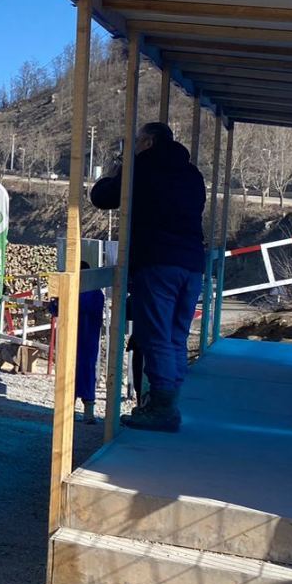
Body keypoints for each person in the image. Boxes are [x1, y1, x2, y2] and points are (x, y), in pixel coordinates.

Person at [90, 121, 206, 432]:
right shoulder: (193, 175)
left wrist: (119, 168)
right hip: (193, 264)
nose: (136, 146)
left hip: (158, 262)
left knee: (155, 336)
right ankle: (170, 398)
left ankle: (162, 408)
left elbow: (102, 197)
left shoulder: (141, 168)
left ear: (149, 143)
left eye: (138, 141)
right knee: (176, 336)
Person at [51, 261, 105, 423]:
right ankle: (82, 412)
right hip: (84, 340)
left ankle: (79, 412)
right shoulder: (96, 293)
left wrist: (59, 298)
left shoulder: (85, 293)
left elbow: (56, 309)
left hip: (82, 339)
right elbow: (55, 309)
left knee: (75, 373)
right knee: (82, 373)